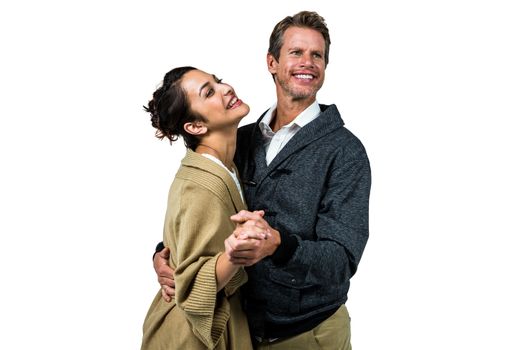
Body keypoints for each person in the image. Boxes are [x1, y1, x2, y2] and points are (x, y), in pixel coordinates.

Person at [153, 11, 371, 349]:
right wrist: (162, 256)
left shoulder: (345, 152)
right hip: (239, 331)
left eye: (318, 55)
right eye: (296, 52)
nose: (308, 62)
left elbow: (341, 261)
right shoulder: (238, 139)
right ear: (272, 62)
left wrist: (279, 246)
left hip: (305, 333)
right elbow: (199, 212)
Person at [141, 66, 265, 350]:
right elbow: (191, 286)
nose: (226, 88)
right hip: (188, 337)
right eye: (209, 92)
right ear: (195, 127)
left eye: (218, 82)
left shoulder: (225, 165)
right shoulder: (200, 187)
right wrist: (235, 254)